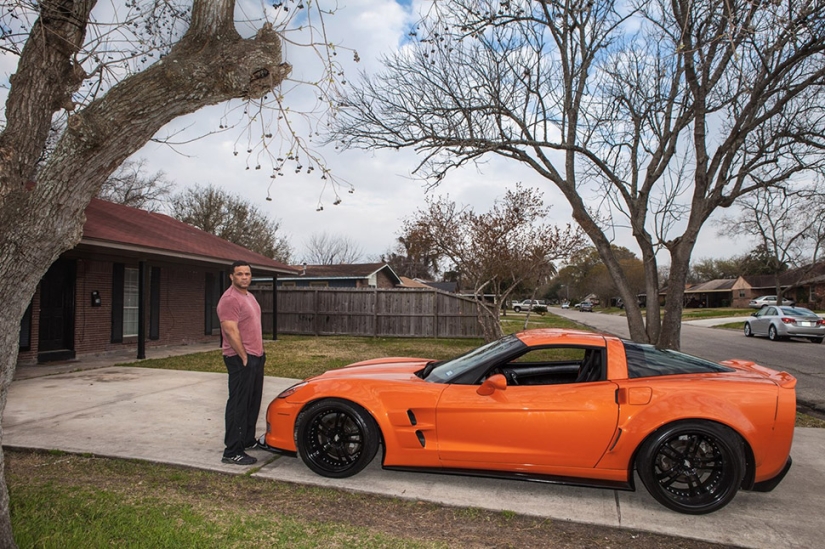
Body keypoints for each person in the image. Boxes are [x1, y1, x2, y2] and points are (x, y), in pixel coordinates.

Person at [217, 260, 265, 465]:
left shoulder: (249, 296)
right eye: (239, 274)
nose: (244, 277)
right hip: (240, 359)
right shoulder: (229, 299)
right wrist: (244, 357)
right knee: (238, 404)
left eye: (247, 274)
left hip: (255, 356)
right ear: (231, 277)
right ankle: (232, 451)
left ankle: (246, 440)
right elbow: (230, 330)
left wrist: (258, 355)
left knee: (252, 403)